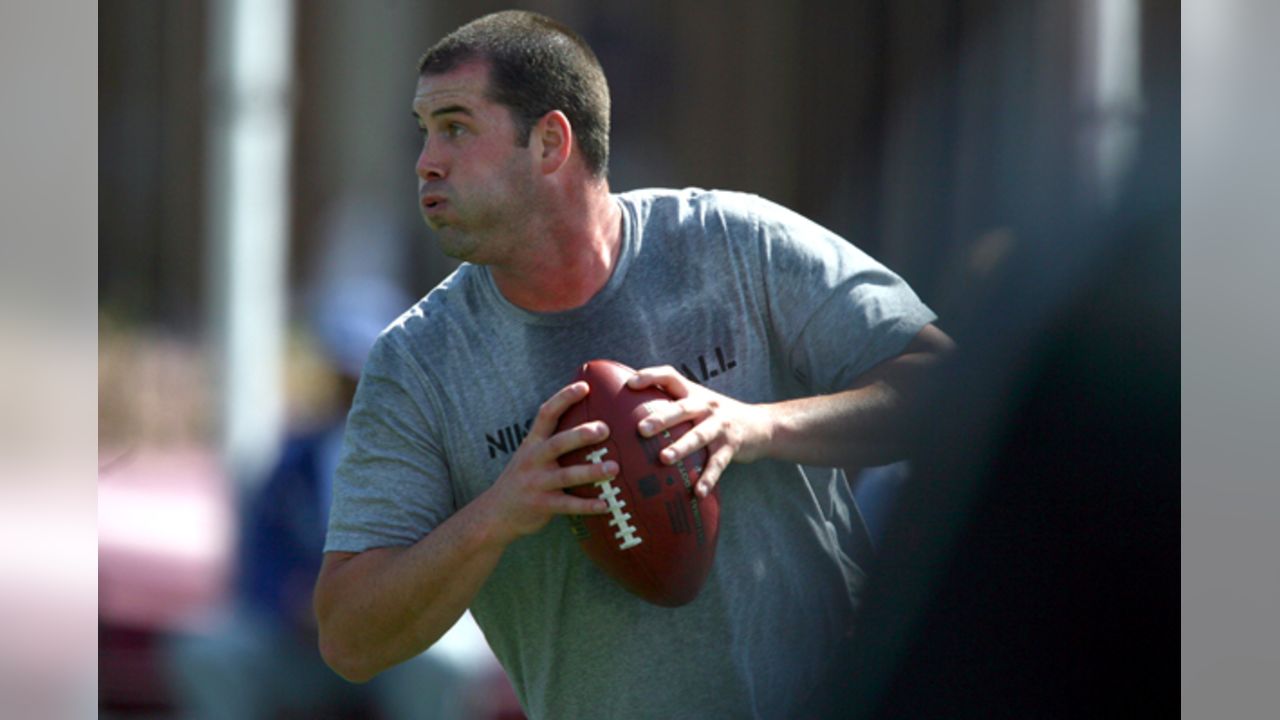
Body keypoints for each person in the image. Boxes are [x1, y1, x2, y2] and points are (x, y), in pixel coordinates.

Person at [314, 10, 954, 719]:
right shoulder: (416, 365)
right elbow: (348, 638)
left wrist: (753, 426)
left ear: (551, 142)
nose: (426, 161)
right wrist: (499, 511)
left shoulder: (734, 245)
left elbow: (949, 392)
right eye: (424, 129)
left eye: (457, 127)